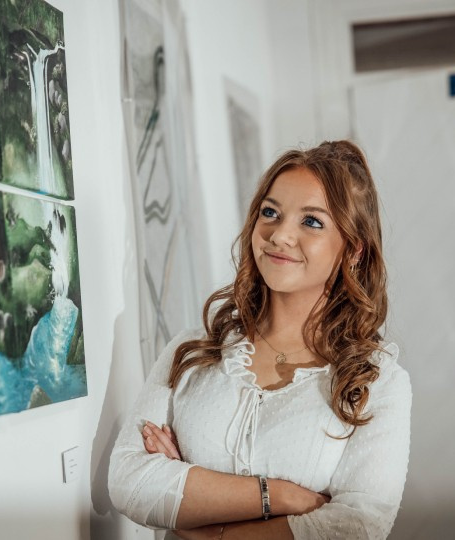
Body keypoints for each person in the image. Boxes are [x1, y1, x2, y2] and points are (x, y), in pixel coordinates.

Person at [108, 140, 412, 539]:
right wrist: (281, 496)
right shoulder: (192, 352)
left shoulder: (376, 381)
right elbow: (129, 481)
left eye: (312, 221)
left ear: (352, 250)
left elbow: (356, 526)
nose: (280, 235)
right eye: (270, 213)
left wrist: (198, 525)